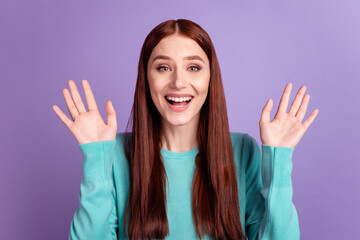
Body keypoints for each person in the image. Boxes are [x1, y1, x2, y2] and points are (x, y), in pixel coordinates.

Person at [52, 19, 319, 240]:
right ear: (146, 78)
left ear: (210, 78)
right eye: (163, 67)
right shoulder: (116, 154)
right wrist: (96, 158)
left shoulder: (242, 151)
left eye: (193, 67)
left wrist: (279, 158)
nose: (179, 82)